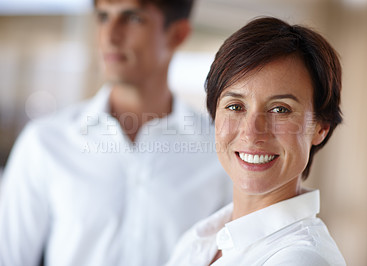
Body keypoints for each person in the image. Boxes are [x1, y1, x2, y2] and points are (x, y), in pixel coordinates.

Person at [0, 0, 232, 265]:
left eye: (132, 18)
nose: (110, 36)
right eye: (102, 17)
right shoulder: (45, 142)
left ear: (177, 34)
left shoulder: (218, 151)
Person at [167, 16, 346, 265]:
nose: (252, 133)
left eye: (280, 109)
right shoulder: (198, 241)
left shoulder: (300, 259)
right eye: (235, 106)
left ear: (321, 127)